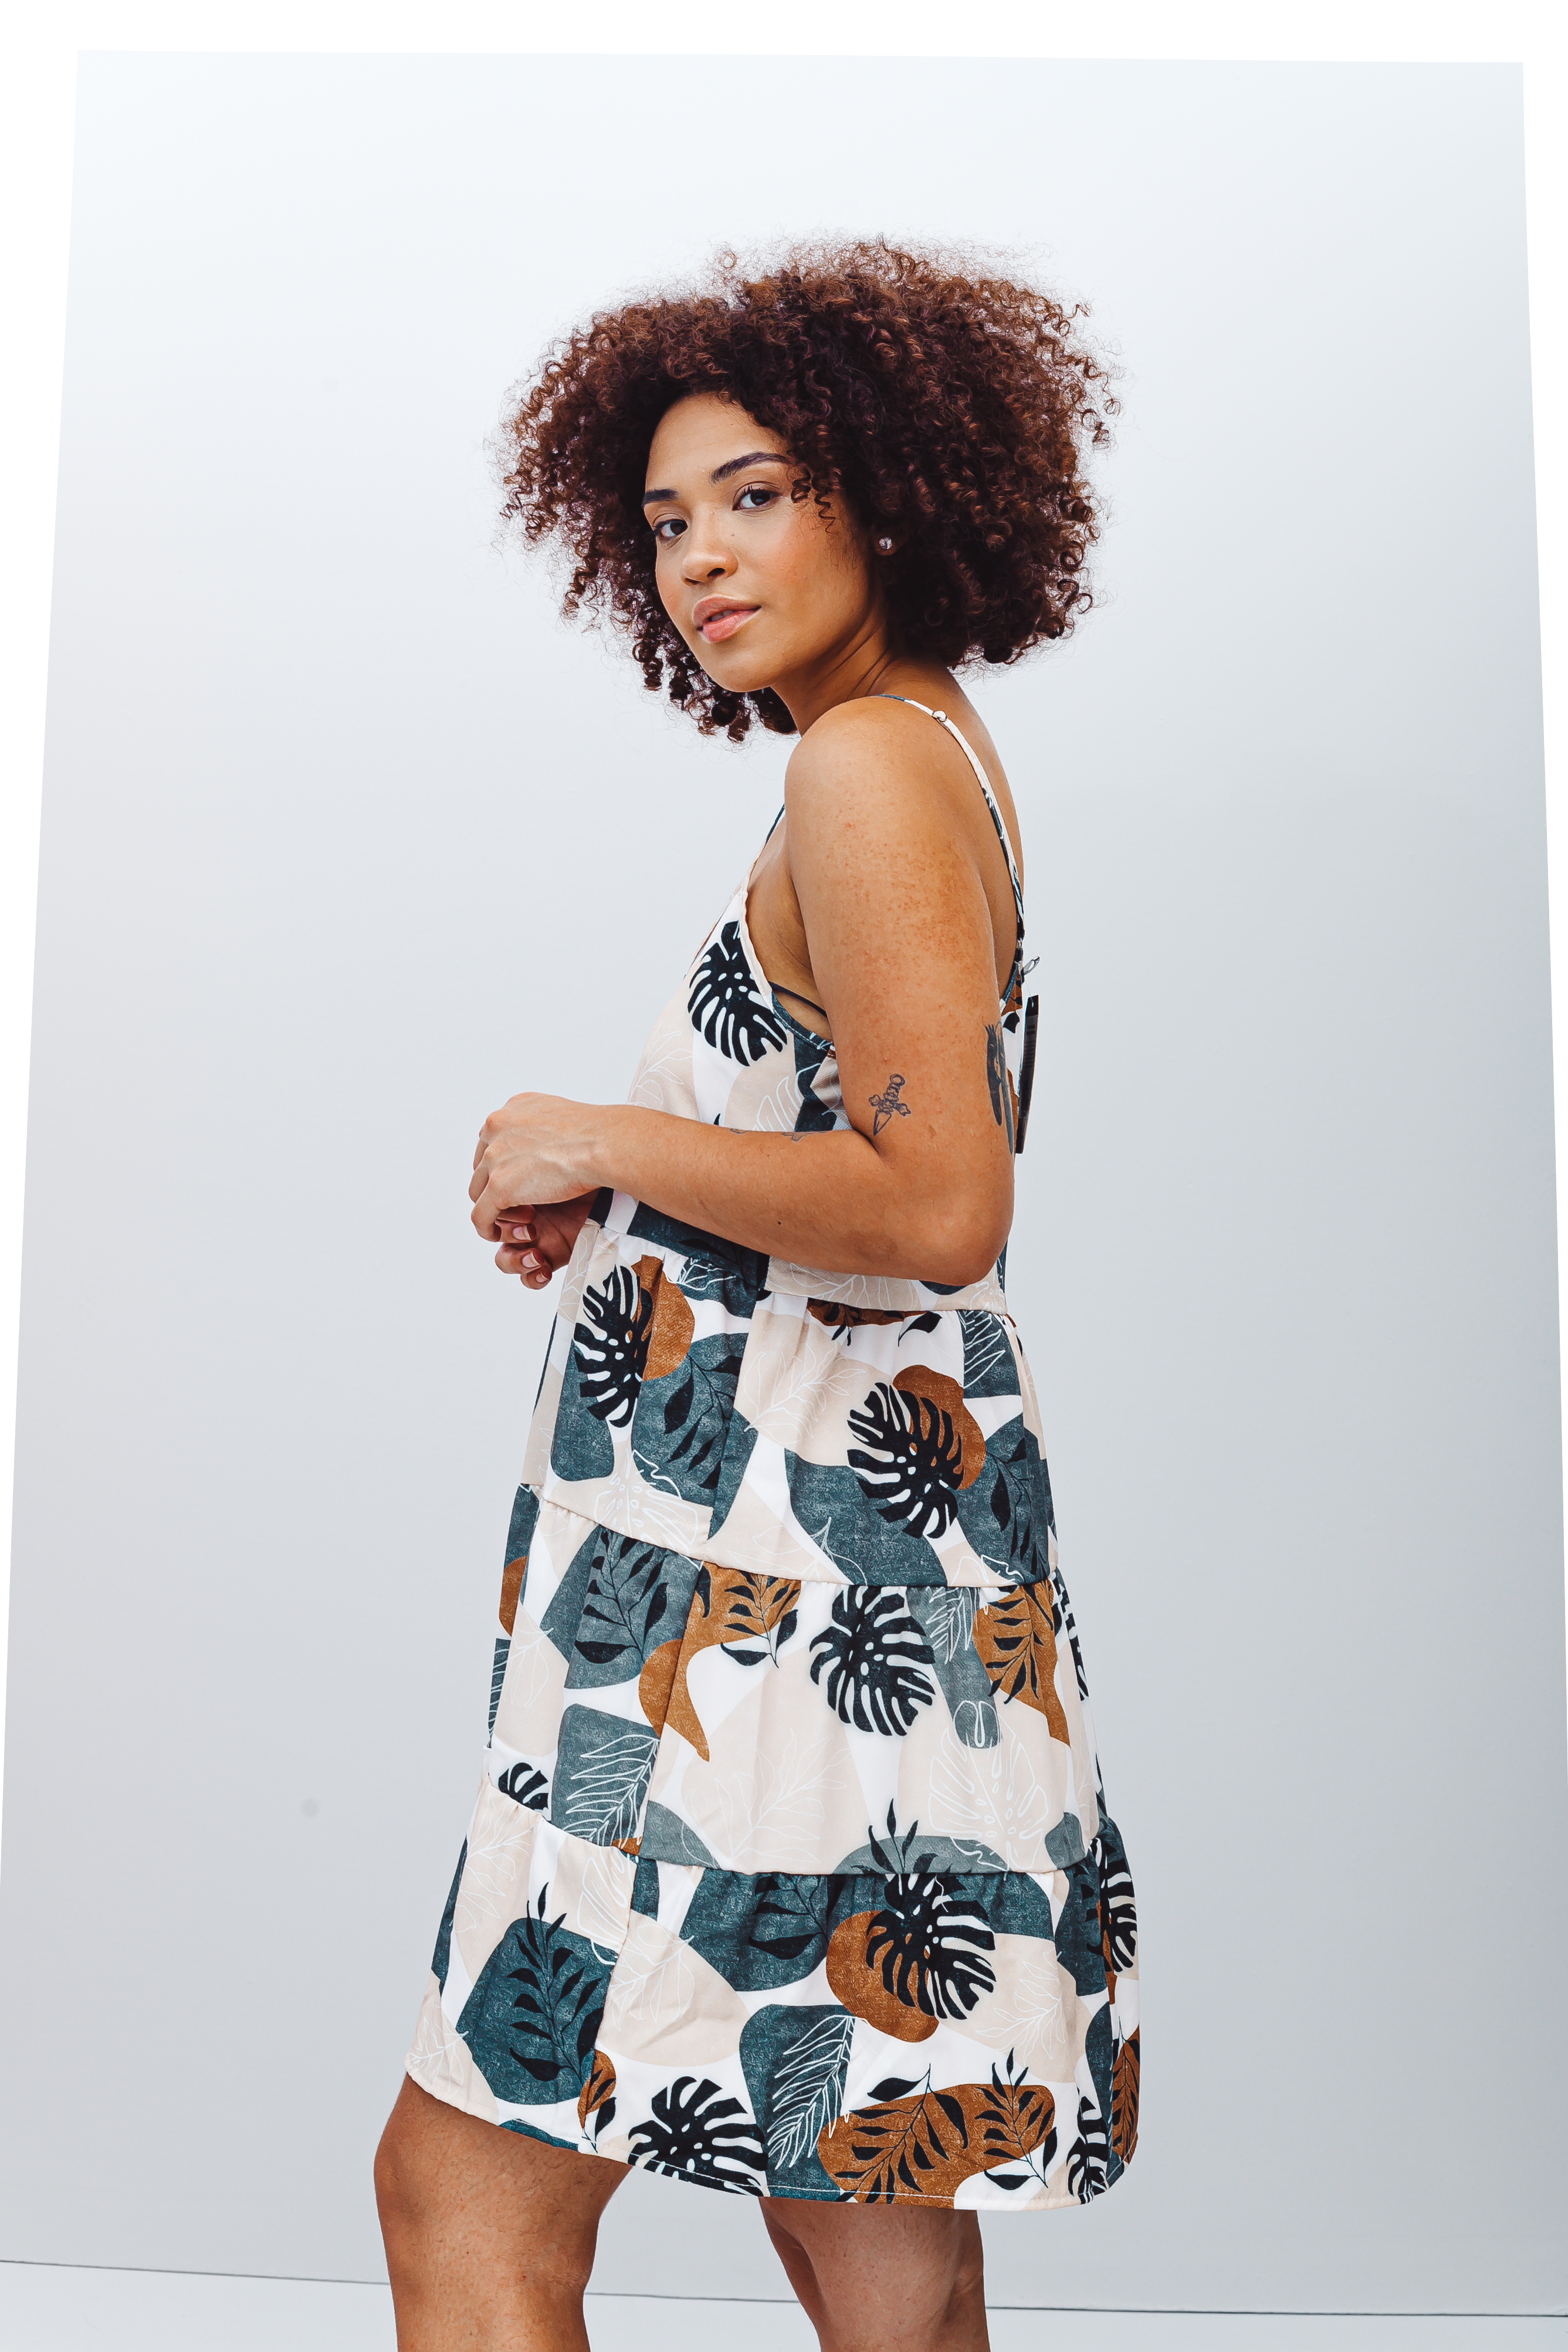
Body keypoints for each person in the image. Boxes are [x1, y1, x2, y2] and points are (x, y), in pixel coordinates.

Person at [375, 240, 1139, 2352]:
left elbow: (935, 1198)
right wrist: (643, 1206)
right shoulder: (926, 745)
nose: (700, 556)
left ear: (887, 490)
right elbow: (862, 1153)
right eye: (662, 522)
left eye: (757, 493)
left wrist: (597, 1132)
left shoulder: (859, 767)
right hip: (855, 1563)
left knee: (464, 2190)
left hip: (755, 1605)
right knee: (868, 2220)